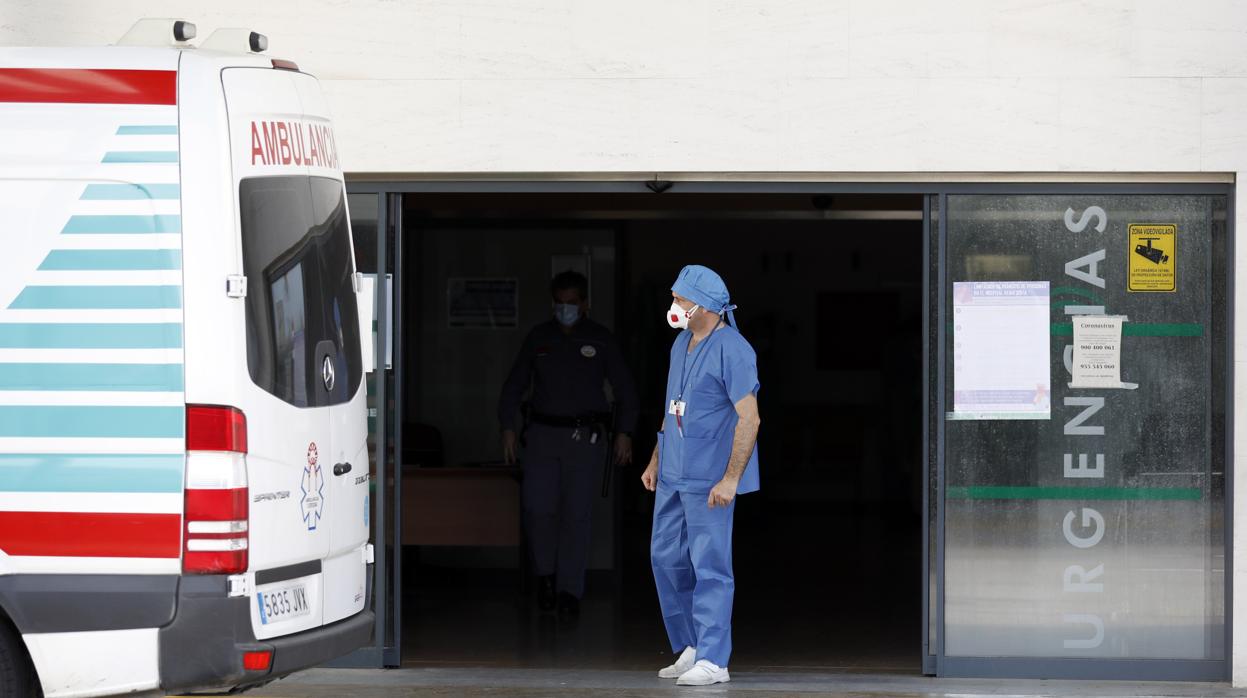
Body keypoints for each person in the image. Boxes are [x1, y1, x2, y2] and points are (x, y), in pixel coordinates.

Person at [640, 264, 761, 687]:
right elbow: (672, 406)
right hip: (674, 472)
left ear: (705, 305)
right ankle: (691, 645)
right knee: (665, 558)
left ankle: (714, 658)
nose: (674, 306)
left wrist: (730, 479)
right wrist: (656, 457)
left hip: (709, 478)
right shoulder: (681, 344)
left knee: (710, 566)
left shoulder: (734, 348)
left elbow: (750, 419)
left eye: (681, 299)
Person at [499, 270, 638, 617]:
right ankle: (545, 577)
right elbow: (514, 385)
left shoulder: (601, 339)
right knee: (537, 510)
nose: (565, 309)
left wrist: (624, 432)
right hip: (543, 436)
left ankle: (569, 592)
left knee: (577, 516)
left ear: (585, 303)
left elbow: (625, 390)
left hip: (585, 438)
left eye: (572, 303)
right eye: (559, 303)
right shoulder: (538, 338)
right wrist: (508, 428)